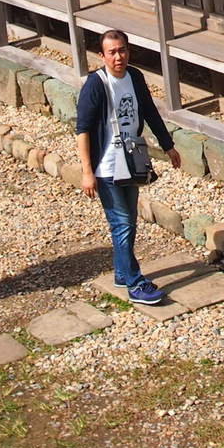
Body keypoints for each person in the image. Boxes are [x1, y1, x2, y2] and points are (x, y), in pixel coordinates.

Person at [75, 29, 181, 305]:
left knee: (129, 222)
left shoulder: (134, 77)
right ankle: (135, 282)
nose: (118, 56)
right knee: (121, 223)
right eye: (112, 52)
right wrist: (87, 172)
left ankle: (122, 273)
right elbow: (83, 129)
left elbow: (149, 111)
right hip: (106, 165)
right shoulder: (96, 84)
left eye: (122, 50)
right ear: (102, 55)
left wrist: (168, 145)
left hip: (131, 160)